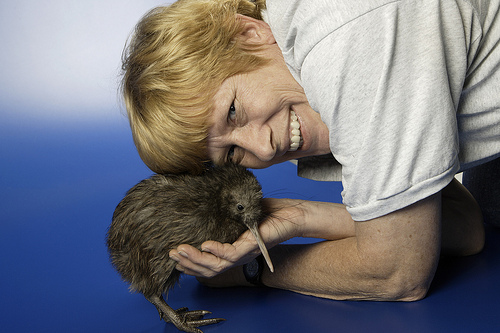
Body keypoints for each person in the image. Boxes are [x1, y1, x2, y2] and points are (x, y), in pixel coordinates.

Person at [121, 0, 499, 301]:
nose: (264, 148)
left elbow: (398, 272)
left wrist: (251, 272)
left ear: (249, 33)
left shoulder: (344, 40)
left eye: (233, 111)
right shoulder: (303, 80)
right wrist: (298, 217)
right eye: (232, 154)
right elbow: (466, 228)